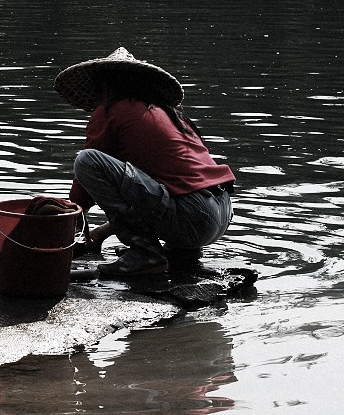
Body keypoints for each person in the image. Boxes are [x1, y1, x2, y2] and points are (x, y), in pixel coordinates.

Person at [54, 47, 235, 277]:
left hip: (194, 216)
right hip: (221, 212)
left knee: (86, 161)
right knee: (154, 178)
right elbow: (158, 189)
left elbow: (83, 189)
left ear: (106, 85)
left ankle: (145, 253)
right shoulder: (169, 113)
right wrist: (101, 232)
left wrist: (70, 219)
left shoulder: (111, 109)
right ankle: (182, 252)